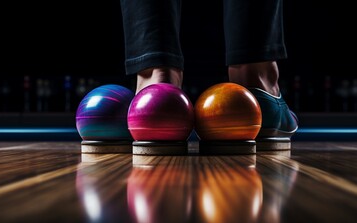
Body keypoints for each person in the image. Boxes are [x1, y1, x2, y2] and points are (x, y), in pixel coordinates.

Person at [120, 0, 298, 145]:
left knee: (157, 78)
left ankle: (155, 95)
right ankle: (257, 89)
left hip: (150, 113)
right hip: (251, 110)